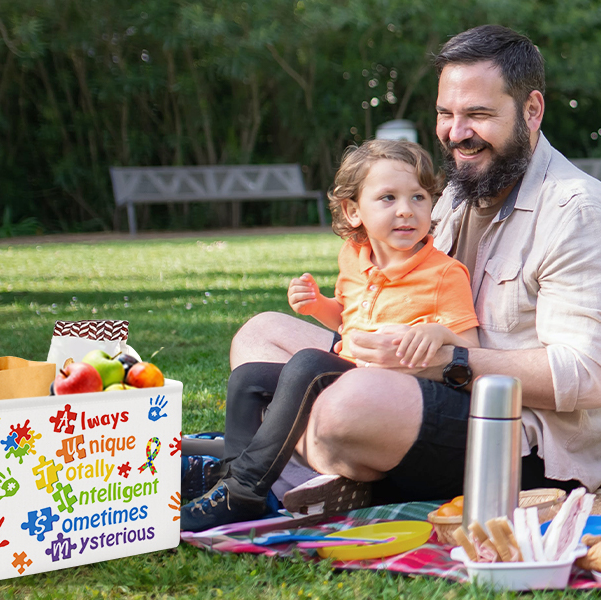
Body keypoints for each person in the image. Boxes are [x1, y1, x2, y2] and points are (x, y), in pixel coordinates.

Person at [223, 25, 601, 511]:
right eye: (445, 114)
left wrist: (449, 362)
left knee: (344, 406)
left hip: (519, 440)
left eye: (478, 115)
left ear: (532, 111)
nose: (456, 133)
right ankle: (342, 461)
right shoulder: (456, 194)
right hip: (415, 387)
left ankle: (323, 458)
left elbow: (590, 377)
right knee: (260, 336)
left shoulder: (578, 212)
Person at [181, 139, 481, 530]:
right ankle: (233, 483)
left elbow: (470, 347)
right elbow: (348, 320)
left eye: (419, 197)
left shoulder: (443, 274)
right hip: (348, 370)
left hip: (392, 392)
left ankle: (244, 489)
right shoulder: (353, 257)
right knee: (249, 376)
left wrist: (439, 334)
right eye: (388, 198)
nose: (406, 210)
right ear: (353, 210)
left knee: (308, 363)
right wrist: (317, 306)